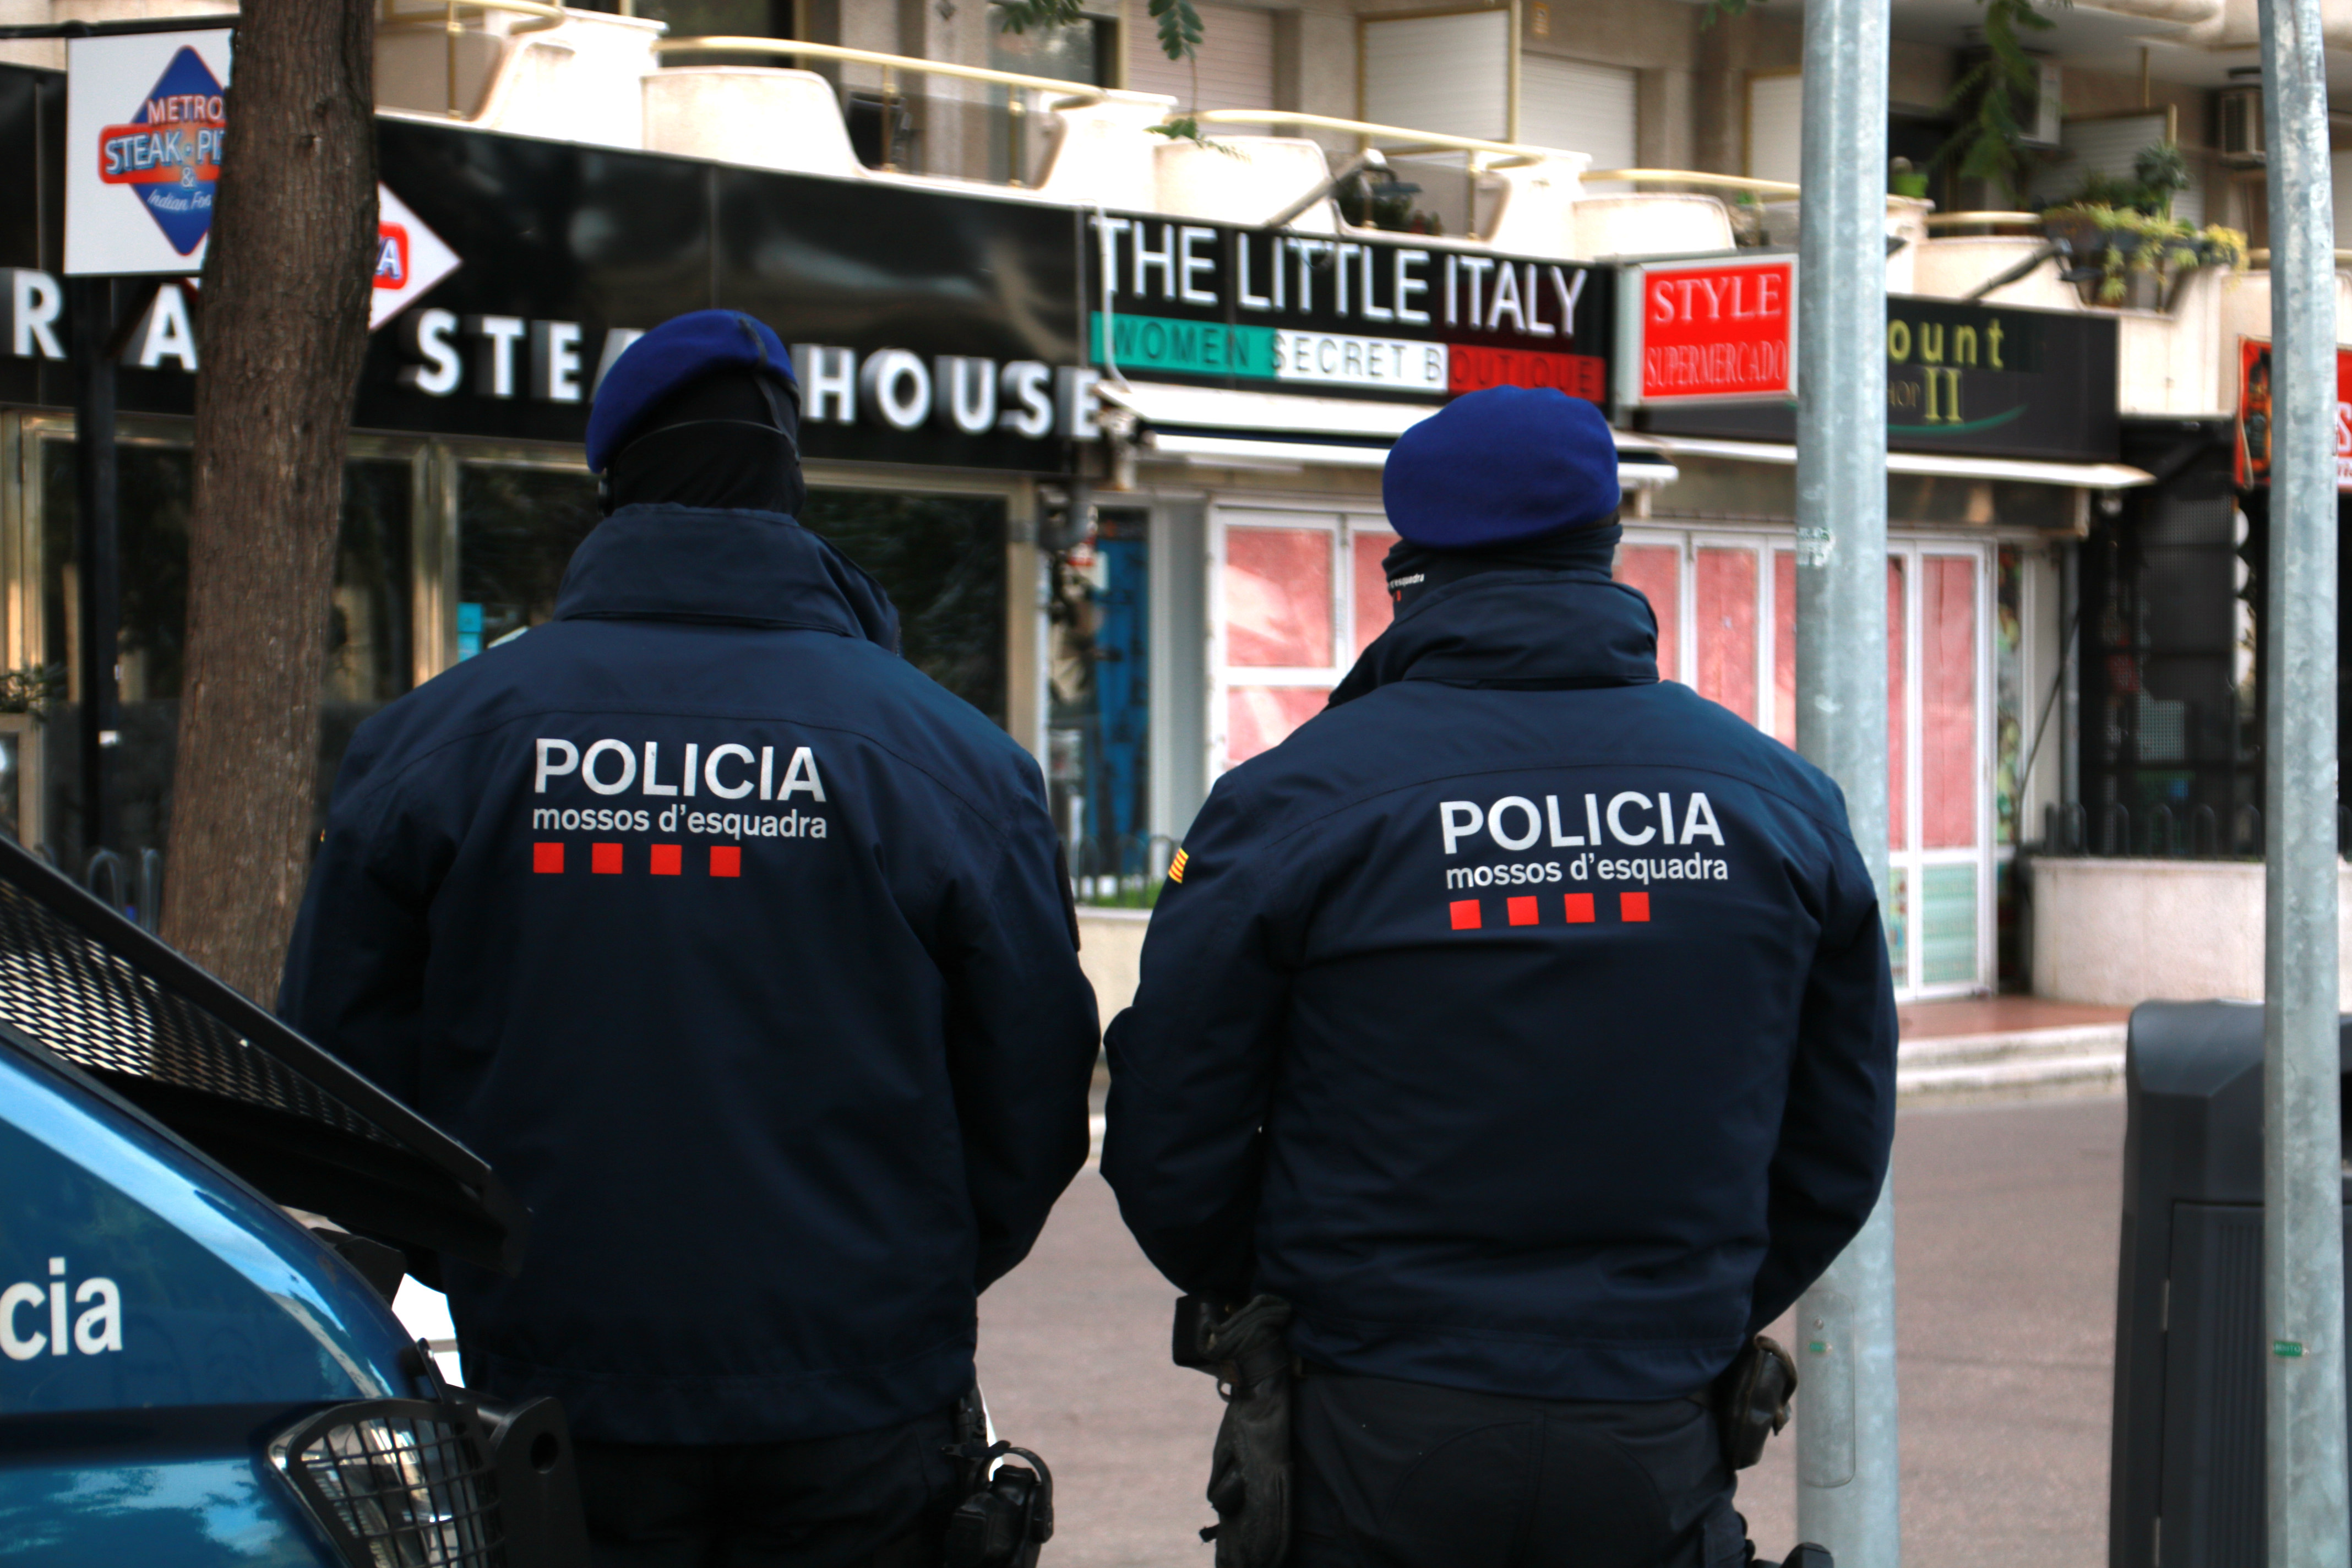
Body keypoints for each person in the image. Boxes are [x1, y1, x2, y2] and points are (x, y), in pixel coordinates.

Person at [281, 309, 1102, 1567]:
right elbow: (1034, 1079)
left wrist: (483, 1266)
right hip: (858, 1389)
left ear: (610, 488)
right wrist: (907, 1275)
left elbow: (343, 1070)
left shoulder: (443, 742)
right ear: (791, 489)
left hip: (558, 1385)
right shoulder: (947, 756)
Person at [1101, 386, 1898, 1568]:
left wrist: (1290, 1294)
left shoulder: (1296, 800)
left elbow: (1172, 1123)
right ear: (1607, 546)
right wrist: (1679, 1314)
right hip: (1655, 1425)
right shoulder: (1778, 805)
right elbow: (1841, 1139)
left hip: (1371, 1418)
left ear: (1409, 570)